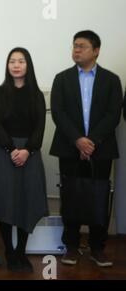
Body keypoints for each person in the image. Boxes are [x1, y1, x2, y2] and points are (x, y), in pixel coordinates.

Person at [50, 30, 123, 267]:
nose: (76, 50)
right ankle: (71, 246)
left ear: (96, 50)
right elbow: (58, 113)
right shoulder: (61, 79)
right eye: (74, 46)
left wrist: (91, 141)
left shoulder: (112, 80)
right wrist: (78, 140)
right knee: (70, 196)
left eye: (81, 46)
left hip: (100, 149)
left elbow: (113, 115)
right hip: (70, 147)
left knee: (99, 198)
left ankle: (97, 248)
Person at [0, 47, 48, 273]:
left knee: (27, 202)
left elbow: (40, 127)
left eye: (21, 61)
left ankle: (21, 253)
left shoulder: (36, 95)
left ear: (28, 65)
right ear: (7, 66)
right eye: (12, 61)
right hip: (3, 153)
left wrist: (27, 150)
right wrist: (11, 149)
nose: (16, 65)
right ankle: (10, 252)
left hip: (30, 154)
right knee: (6, 202)